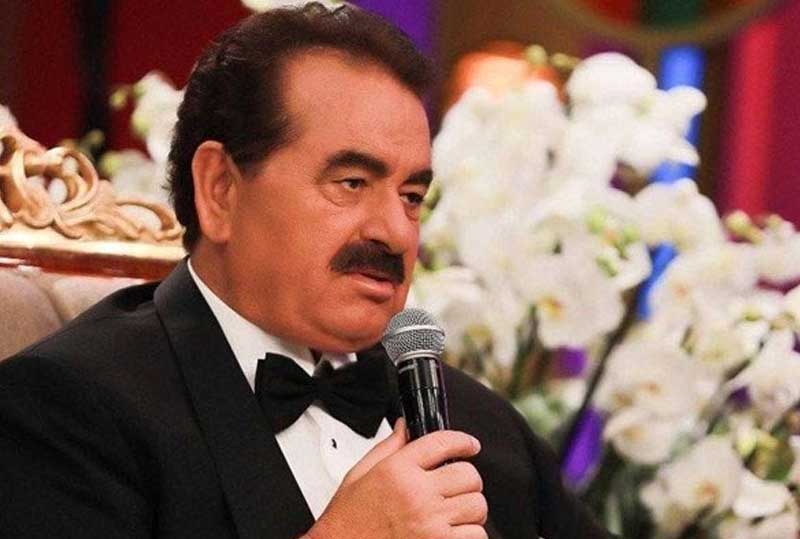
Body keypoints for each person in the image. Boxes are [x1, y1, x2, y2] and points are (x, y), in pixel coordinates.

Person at [0, 4, 611, 538]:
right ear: (220, 191)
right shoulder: (66, 409)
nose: (397, 232)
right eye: (352, 182)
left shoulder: (481, 427)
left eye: (411, 196)